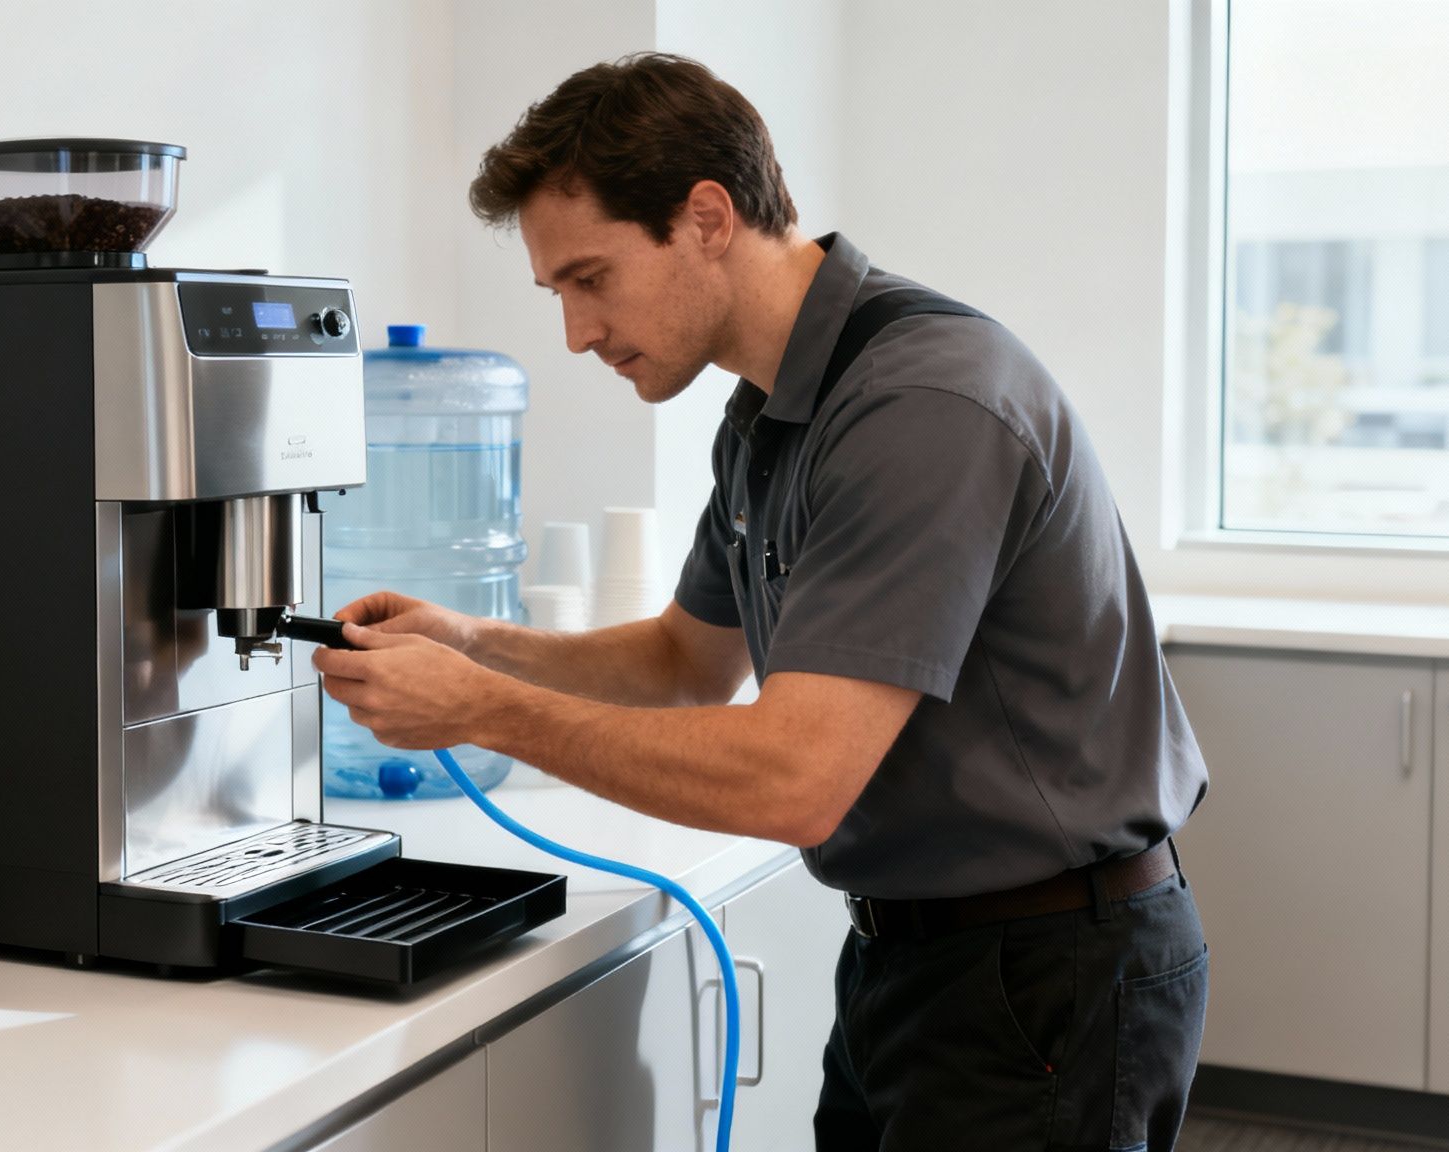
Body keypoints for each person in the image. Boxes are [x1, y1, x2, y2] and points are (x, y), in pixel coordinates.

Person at [311, 52, 1210, 1151]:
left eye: (590, 279)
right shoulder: (766, 417)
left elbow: (796, 780)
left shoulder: (917, 404)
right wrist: (470, 642)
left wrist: (476, 709)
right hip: (907, 957)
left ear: (704, 217)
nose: (575, 333)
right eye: (557, 294)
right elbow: (685, 662)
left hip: (1040, 973)